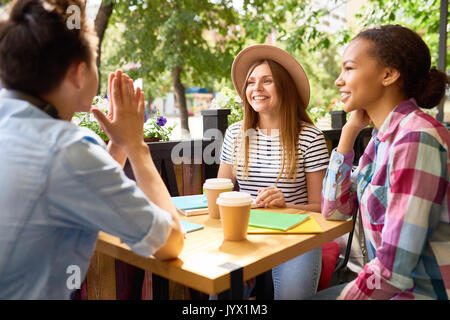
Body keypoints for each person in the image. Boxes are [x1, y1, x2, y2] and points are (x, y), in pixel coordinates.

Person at [0, 0, 183, 299]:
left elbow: (80, 187)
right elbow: (170, 242)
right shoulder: (68, 149)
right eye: (96, 60)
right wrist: (137, 147)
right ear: (78, 73)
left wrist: (119, 144)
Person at [319, 24, 449, 300]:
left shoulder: (416, 139)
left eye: (349, 68)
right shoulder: (382, 138)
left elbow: (393, 270)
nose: (338, 80)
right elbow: (335, 210)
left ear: (388, 75)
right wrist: (348, 132)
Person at [218, 44, 330, 299]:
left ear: (284, 87)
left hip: (297, 237)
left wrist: (286, 204)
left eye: (267, 81)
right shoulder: (235, 134)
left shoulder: (310, 137)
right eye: (251, 82)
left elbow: (323, 207)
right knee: (223, 293)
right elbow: (221, 195)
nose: (256, 88)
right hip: (246, 234)